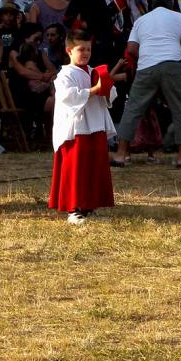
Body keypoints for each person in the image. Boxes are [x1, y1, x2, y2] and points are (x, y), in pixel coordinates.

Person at [110, 0, 181, 169]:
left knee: (133, 109)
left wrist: (145, 57)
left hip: (146, 66)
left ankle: (120, 155)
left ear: (152, 5)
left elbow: (132, 48)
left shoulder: (141, 20)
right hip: (172, 64)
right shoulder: (179, 17)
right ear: (171, 4)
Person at [49, 30, 116, 225]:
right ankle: (74, 208)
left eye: (88, 49)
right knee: (76, 168)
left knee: (93, 167)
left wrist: (107, 87)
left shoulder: (93, 71)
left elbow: (109, 93)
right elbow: (67, 96)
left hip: (95, 126)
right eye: (81, 49)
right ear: (69, 50)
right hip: (76, 129)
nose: (86, 53)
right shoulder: (65, 74)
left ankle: (90, 205)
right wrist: (95, 90)